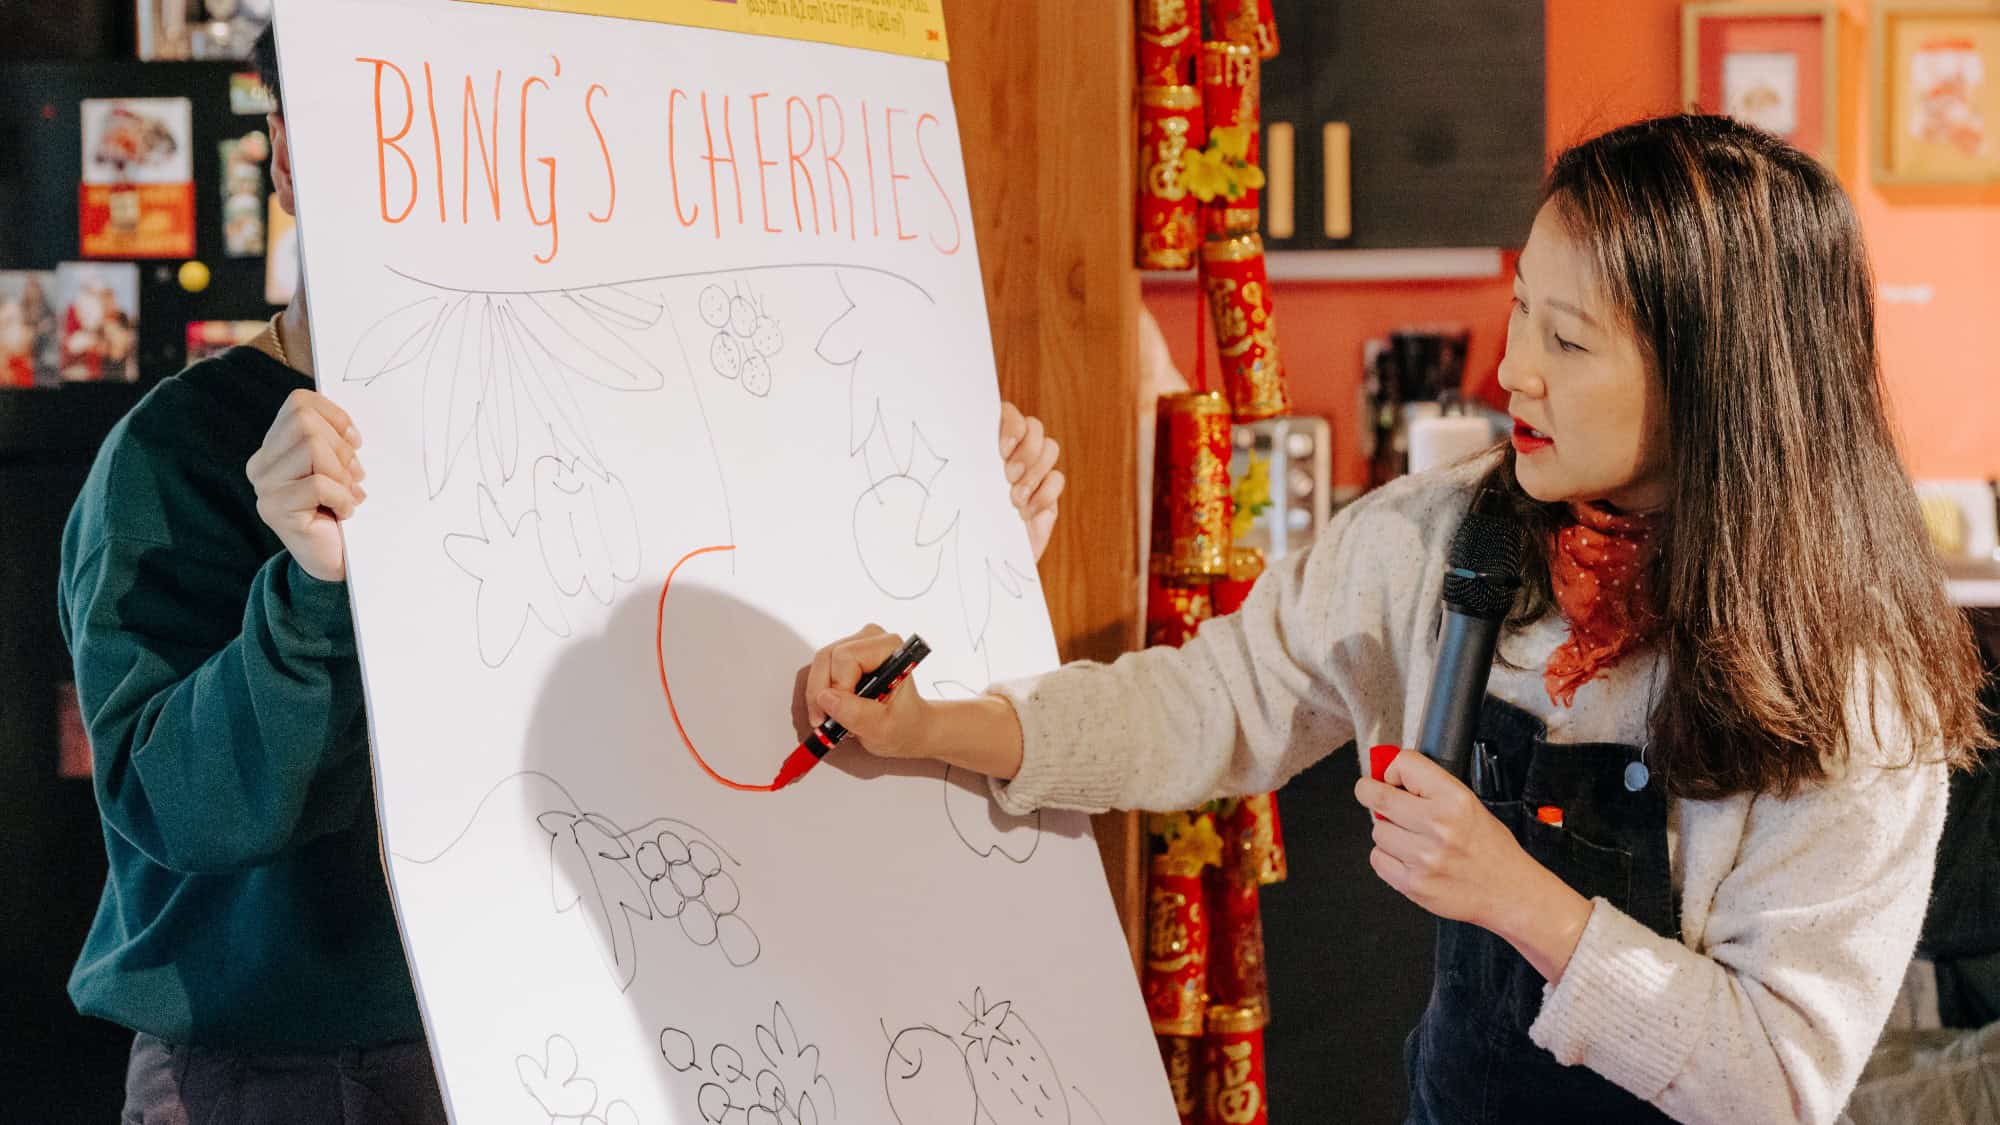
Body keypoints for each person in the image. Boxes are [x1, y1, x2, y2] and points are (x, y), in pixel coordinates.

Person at [806, 114, 1993, 1124]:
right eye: (1520, 310)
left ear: (1716, 376)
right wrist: (934, 729)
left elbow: (1780, 1079)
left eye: (1565, 340)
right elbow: (1201, 707)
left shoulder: (1851, 676)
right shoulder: (1430, 541)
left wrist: (1517, 898)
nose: (1509, 370)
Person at [61, 25, 1065, 1123]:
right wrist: (313, 594)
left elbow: (740, 696)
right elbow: (177, 816)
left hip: (572, 1029)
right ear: (292, 156)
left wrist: (960, 554)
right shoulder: (178, 455)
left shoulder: (604, 404)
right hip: (286, 1074)